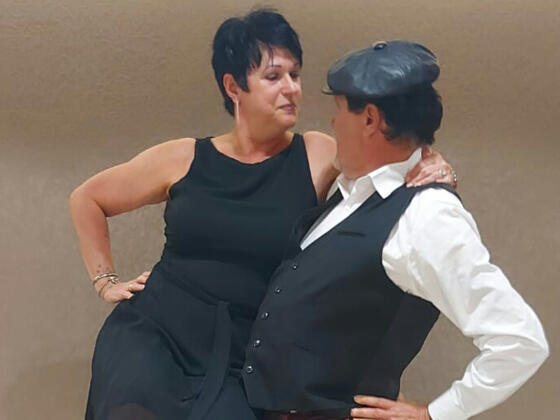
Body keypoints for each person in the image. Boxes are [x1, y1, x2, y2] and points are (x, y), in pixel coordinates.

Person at [69, 9, 455, 420]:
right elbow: (87, 199)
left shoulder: (318, 154)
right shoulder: (182, 157)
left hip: (246, 354)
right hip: (156, 334)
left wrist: (432, 162)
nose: (291, 88)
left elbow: (390, 158)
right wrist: (105, 282)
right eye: (273, 76)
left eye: (295, 74)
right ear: (233, 86)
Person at [242, 41, 549, 420]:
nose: (333, 124)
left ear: (371, 120)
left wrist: (434, 414)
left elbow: (520, 340)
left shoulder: (427, 216)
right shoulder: (349, 190)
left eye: (340, 111)